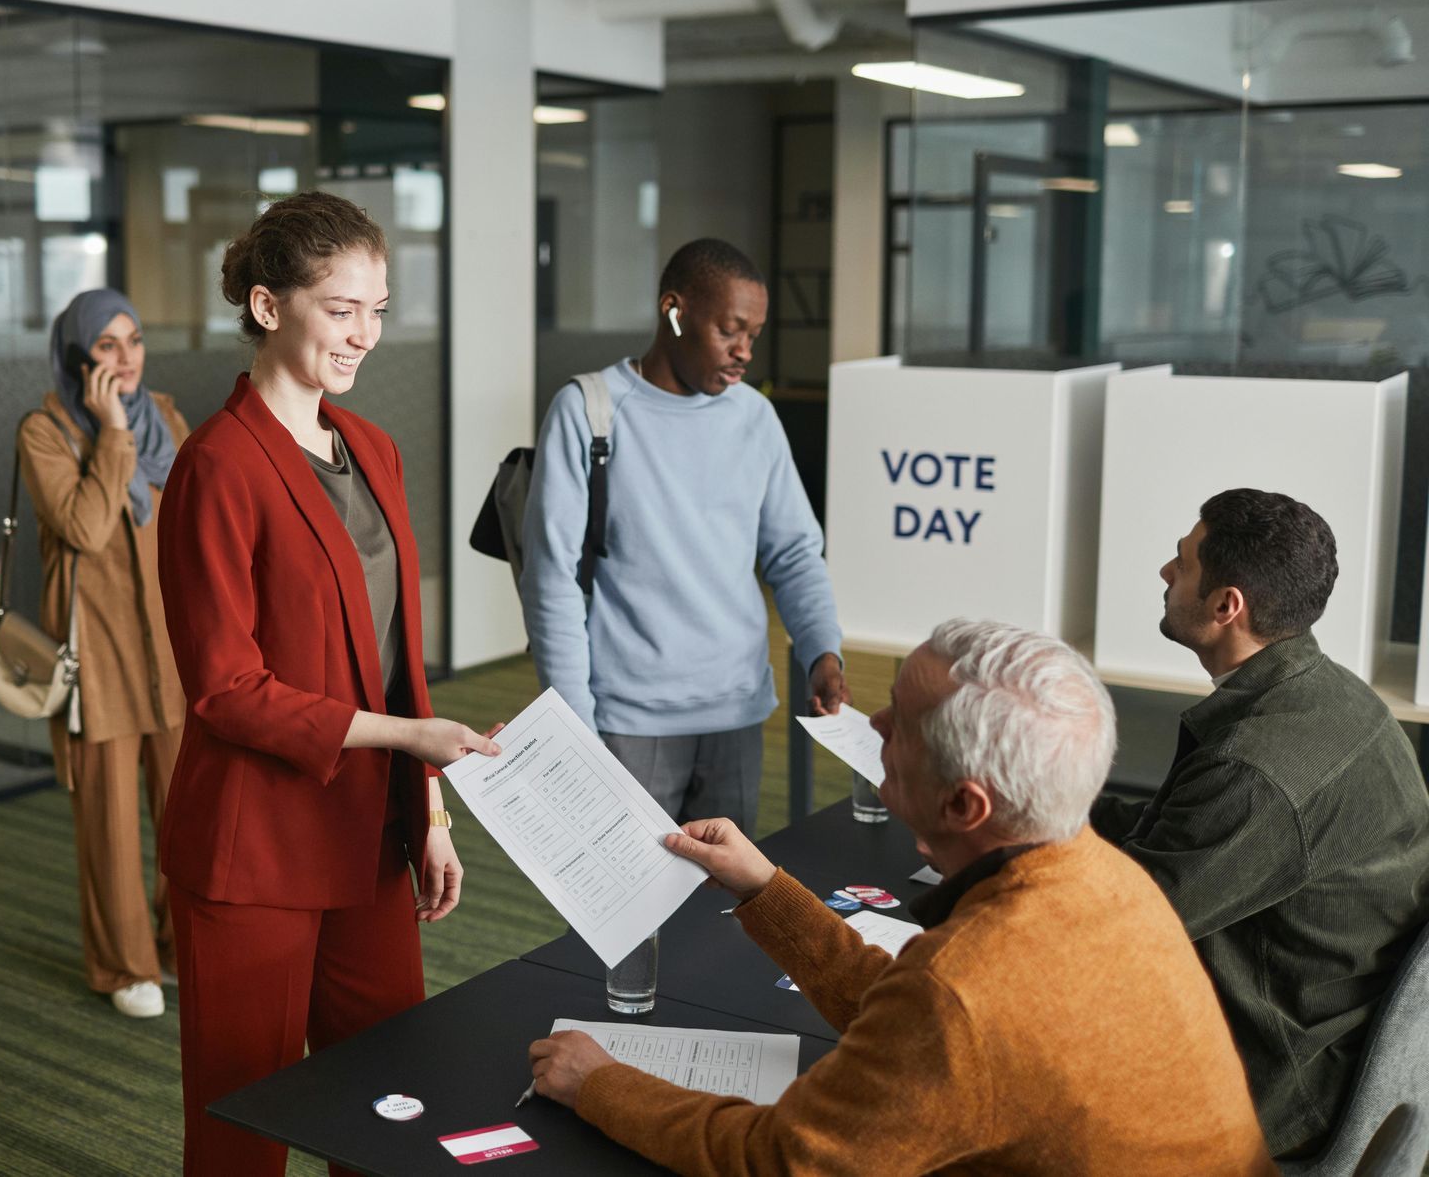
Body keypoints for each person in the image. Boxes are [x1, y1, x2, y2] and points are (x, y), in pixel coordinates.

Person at [527, 619, 1275, 1176]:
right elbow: (924, 1020)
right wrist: (768, 888)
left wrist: (600, 1083)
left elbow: (783, 1161)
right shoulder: (1106, 877)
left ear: (964, 805)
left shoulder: (965, 987)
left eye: (902, 724)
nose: (874, 725)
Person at [156, 191, 500, 1176]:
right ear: (269, 307)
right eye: (341, 308)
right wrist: (406, 745)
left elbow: (400, 659)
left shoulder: (374, 451)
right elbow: (224, 689)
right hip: (255, 845)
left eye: (379, 308)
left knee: (393, 1100)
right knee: (244, 1126)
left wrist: (427, 811)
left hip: (368, 832)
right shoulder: (216, 466)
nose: (365, 334)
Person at [1092, 489, 1429, 1158]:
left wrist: (1000, 844)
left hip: (1272, 1086)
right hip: (1323, 1039)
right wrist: (1061, 807)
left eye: (1183, 562)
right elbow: (1178, 837)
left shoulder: (1256, 772)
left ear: (1226, 606)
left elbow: (1123, 920)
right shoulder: (1338, 699)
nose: (1165, 571)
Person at [520, 238, 847, 835]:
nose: (744, 352)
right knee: (626, 916)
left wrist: (822, 649)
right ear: (674, 310)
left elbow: (795, 553)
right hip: (627, 717)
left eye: (754, 335)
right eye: (731, 330)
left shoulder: (754, 417)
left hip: (737, 710)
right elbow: (553, 580)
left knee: (727, 907)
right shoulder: (589, 411)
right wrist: (573, 724)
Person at [18, 288, 189, 1020]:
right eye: (108, 346)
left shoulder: (170, 417)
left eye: (135, 341)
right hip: (100, 654)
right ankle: (126, 965)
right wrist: (114, 432)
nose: (126, 360)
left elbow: (195, 518)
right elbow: (86, 526)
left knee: (189, 809)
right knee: (112, 822)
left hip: (178, 645)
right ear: (76, 355)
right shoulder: (46, 430)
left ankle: (186, 947)